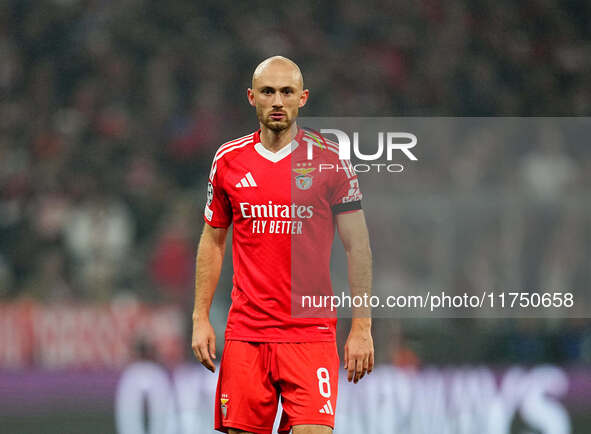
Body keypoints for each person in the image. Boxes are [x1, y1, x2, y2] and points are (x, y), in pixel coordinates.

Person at [192, 56, 373, 434]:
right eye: (268, 92)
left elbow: (358, 247)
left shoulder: (331, 159)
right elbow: (213, 240)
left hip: (310, 334)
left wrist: (362, 327)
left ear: (303, 98)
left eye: (286, 92)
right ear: (251, 97)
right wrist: (200, 318)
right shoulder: (228, 161)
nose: (277, 101)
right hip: (247, 334)